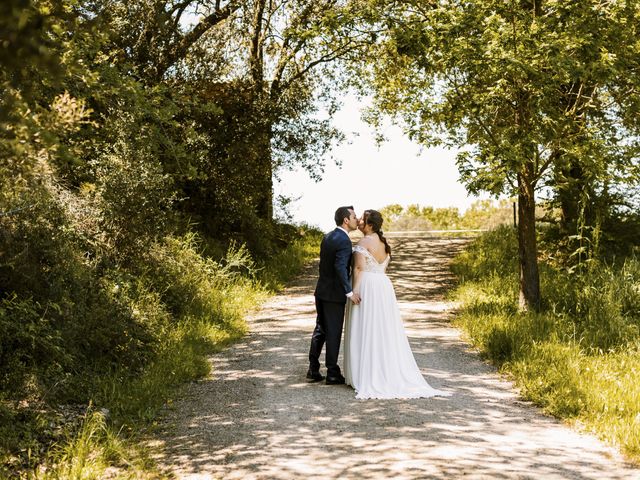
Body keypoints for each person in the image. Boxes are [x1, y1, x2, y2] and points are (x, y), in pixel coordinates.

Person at [344, 209, 451, 399]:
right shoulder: (384, 243)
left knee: (365, 326)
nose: (359, 221)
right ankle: (383, 368)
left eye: (363, 219)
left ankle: (366, 373)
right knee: (382, 329)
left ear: (370, 225)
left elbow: (359, 268)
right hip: (383, 287)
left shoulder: (363, 243)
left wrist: (354, 292)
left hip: (367, 286)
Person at [307, 206, 361, 385]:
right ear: (346, 220)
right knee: (334, 332)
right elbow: (339, 267)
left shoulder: (328, 236)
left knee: (320, 329)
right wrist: (349, 292)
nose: (356, 219)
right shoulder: (344, 241)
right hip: (334, 295)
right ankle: (332, 372)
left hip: (321, 291)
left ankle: (313, 368)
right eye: (354, 216)